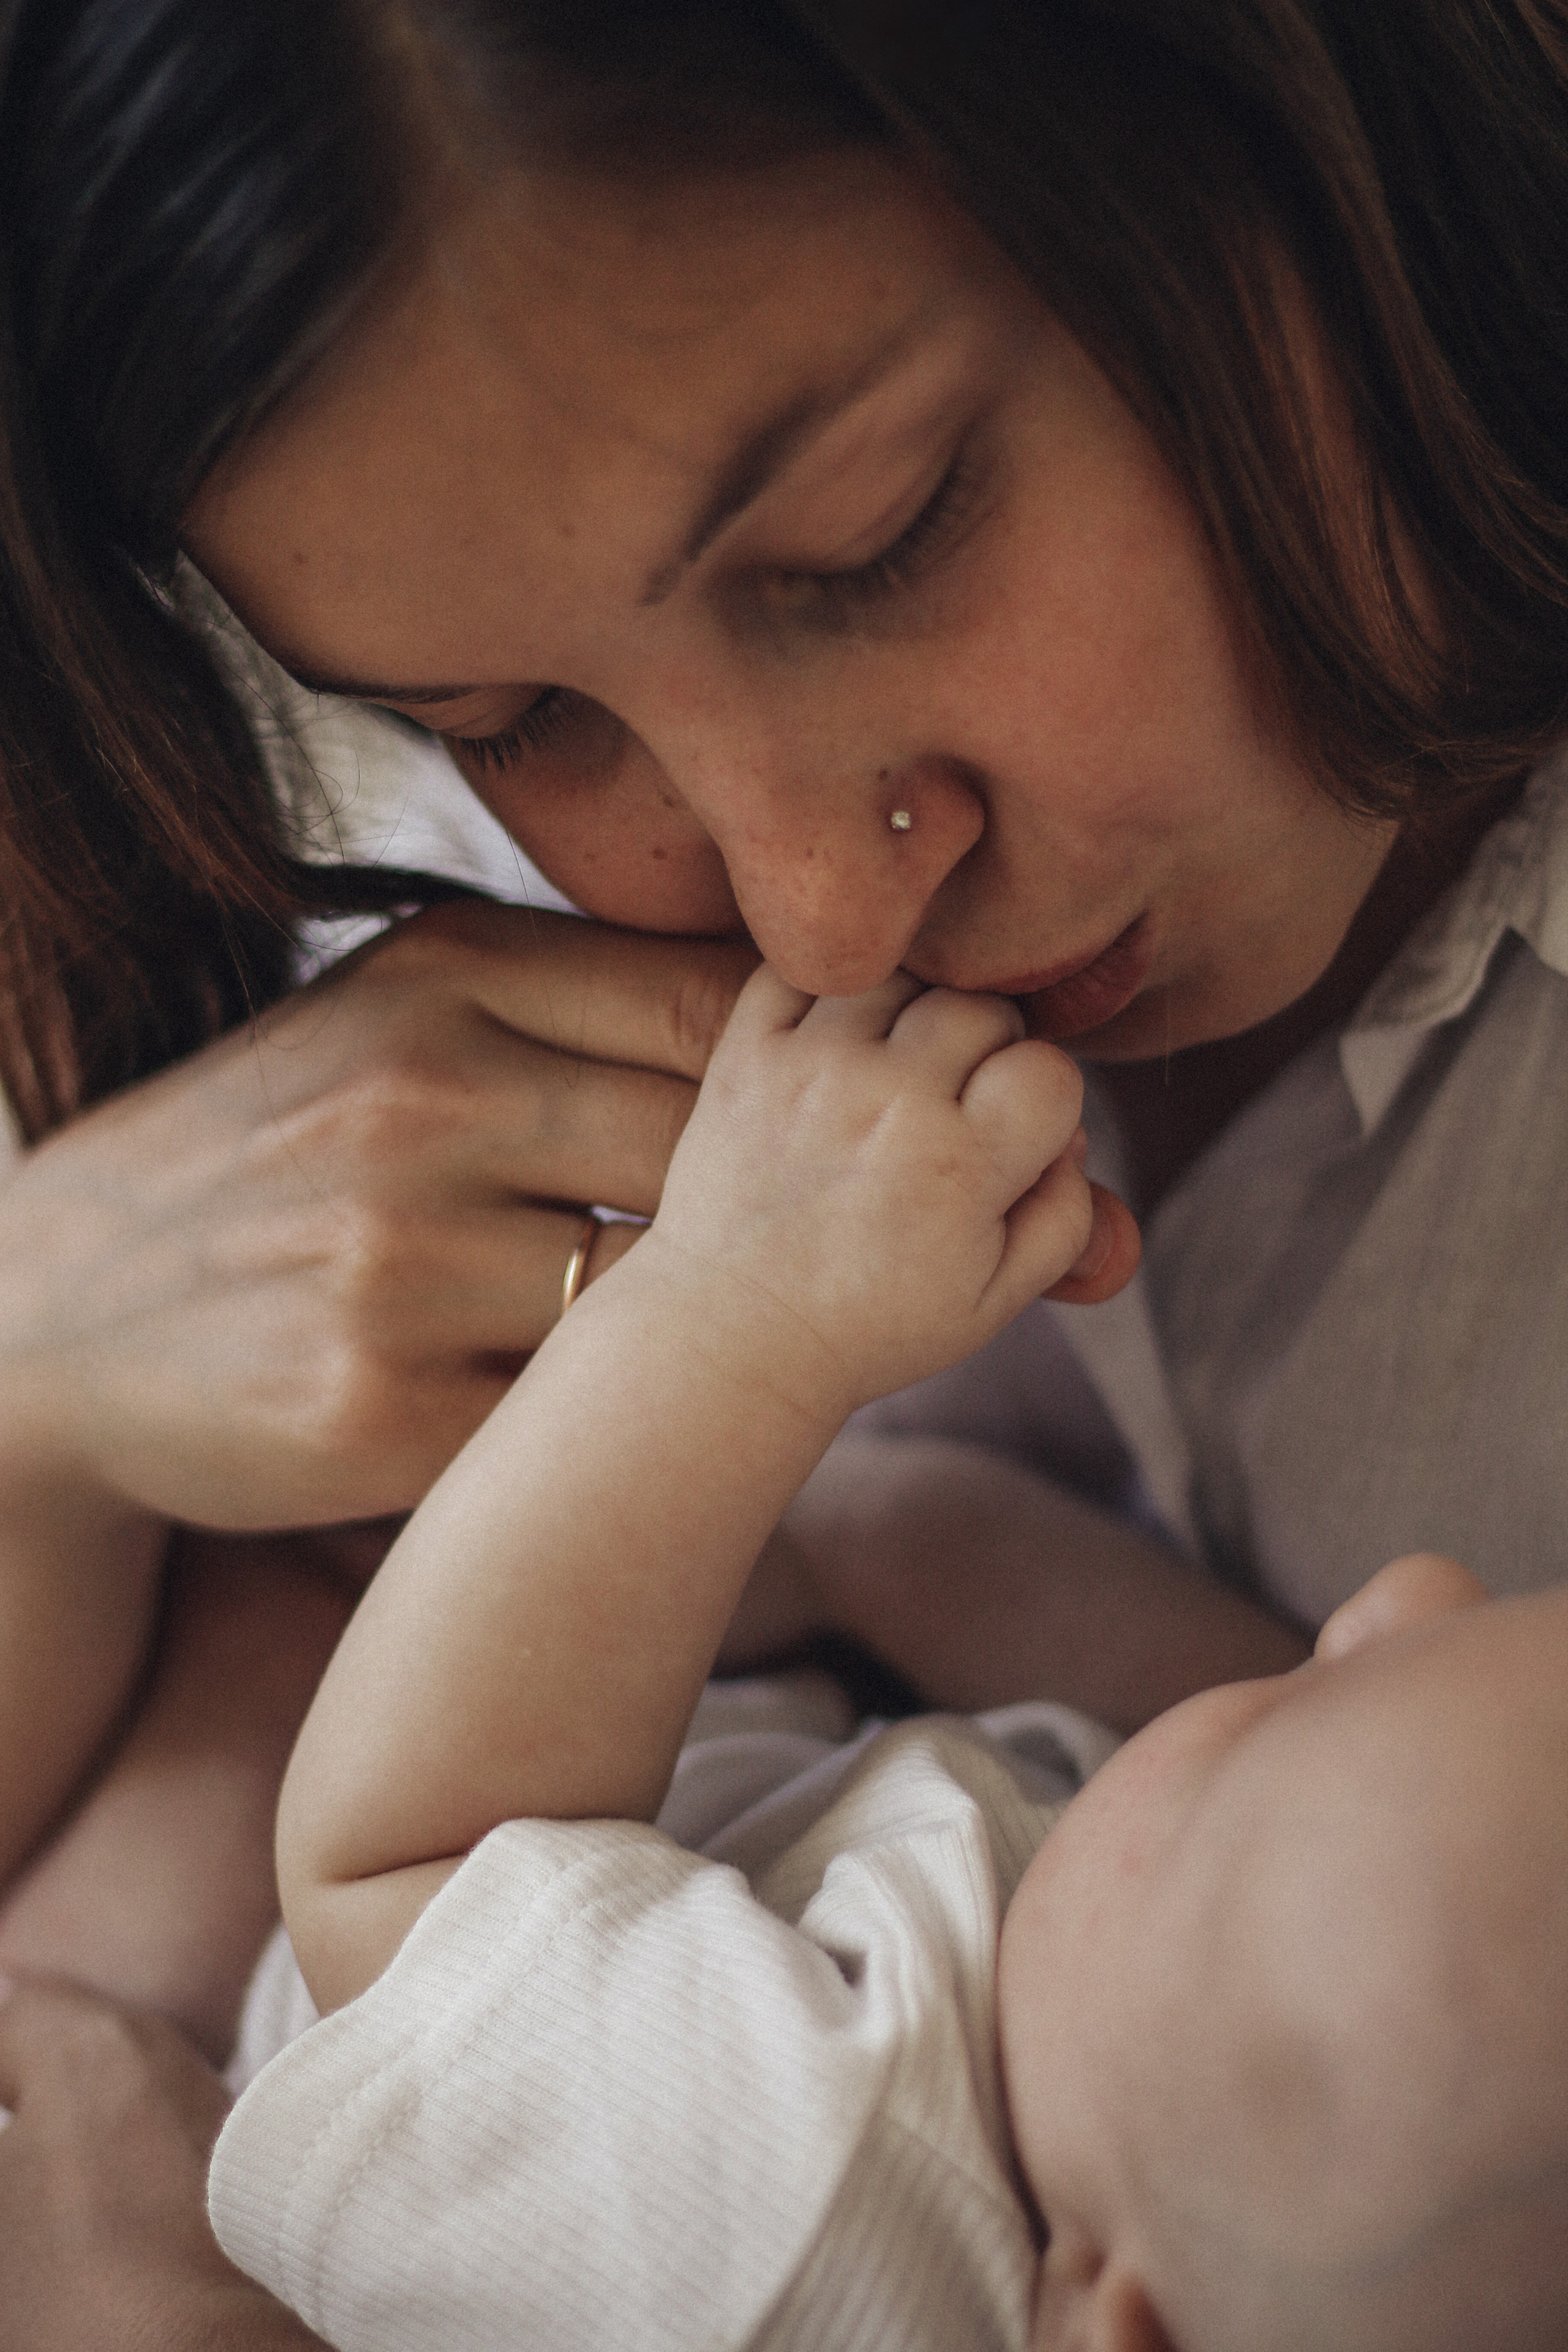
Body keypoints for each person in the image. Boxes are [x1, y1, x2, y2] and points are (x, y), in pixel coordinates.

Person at [3, 0, 1568, 2337]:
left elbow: (389, 1873)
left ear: (1300, 110)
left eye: (882, 532)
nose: (817, 916)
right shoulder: (389, 896)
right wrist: (35, 1385)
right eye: (505, 724)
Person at [197, 948, 1568, 2351]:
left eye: (1277, 1753)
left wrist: (740, 1313)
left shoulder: (778, 2223)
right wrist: (876, 1542)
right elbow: (1220, 1689)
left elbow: (405, 1875)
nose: (1397, 1593)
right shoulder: (1158, 2074)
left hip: (258, 1911)